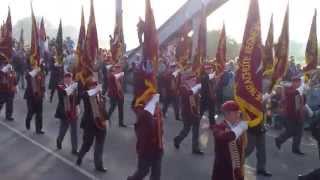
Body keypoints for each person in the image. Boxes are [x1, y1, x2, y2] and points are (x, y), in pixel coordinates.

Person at [76, 77, 108, 172]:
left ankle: (99, 165)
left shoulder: (100, 95)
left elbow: (103, 110)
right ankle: (80, 156)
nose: (94, 86)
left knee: (99, 146)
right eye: (92, 85)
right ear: (88, 87)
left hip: (100, 123)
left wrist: (106, 121)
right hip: (89, 124)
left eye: (95, 84)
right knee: (87, 144)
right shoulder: (86, 95)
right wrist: (95, 90)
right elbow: (84, 95)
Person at [211, 100, 248, 180]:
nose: (239, 115)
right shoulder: (218, 127)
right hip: (223, 172)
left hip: (236, 171)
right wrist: (240, 128)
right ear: (228, 114)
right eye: (236, 113)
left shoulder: (237, 128)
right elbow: (227, 136)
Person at [174, 74, 203, 155]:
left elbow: (198, 99)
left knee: (196, 131)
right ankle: (177, 139)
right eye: (192, 80)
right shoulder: (183, 88)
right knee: (186, 130)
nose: (194, 81)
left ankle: (195, 148)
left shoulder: (195, 88)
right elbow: (187, 95)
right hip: (187, 113)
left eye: (195, 80)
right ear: (187, 81)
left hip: (195, 112)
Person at [275, 77, 305, 155]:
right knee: (291, 131)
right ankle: (279, 140)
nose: (299, 83)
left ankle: (295, 148)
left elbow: (300, 104)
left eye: (299, 82)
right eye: (297, 82)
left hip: (297, 114)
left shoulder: (297, 91)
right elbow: (295, 105)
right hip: (291, 114)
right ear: (293, 82)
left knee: (298, 132)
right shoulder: (292, 91)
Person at [55, 73, 80, 155]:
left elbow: (77, 98)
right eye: (67, 78)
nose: (69, 79)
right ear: (64, 78)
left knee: (74, 131)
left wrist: (77, 106)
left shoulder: (74, 86)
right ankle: (59, 140)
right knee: (64, 129)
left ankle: (74, 149)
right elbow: (63, 94)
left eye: (70, 78)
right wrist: (72, 88)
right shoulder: (60, 86)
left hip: (73, 110)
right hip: (64, 111)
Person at [24, 66, 46, 134]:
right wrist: (34, 71)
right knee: (31, 111)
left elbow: (42, 84)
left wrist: (44, 92)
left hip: (39, 96)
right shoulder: (29, 73)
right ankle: (28, 120)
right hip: (31, 96)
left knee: (39, 114)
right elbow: (27, 77)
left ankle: (38, 129)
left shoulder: (41, 73)